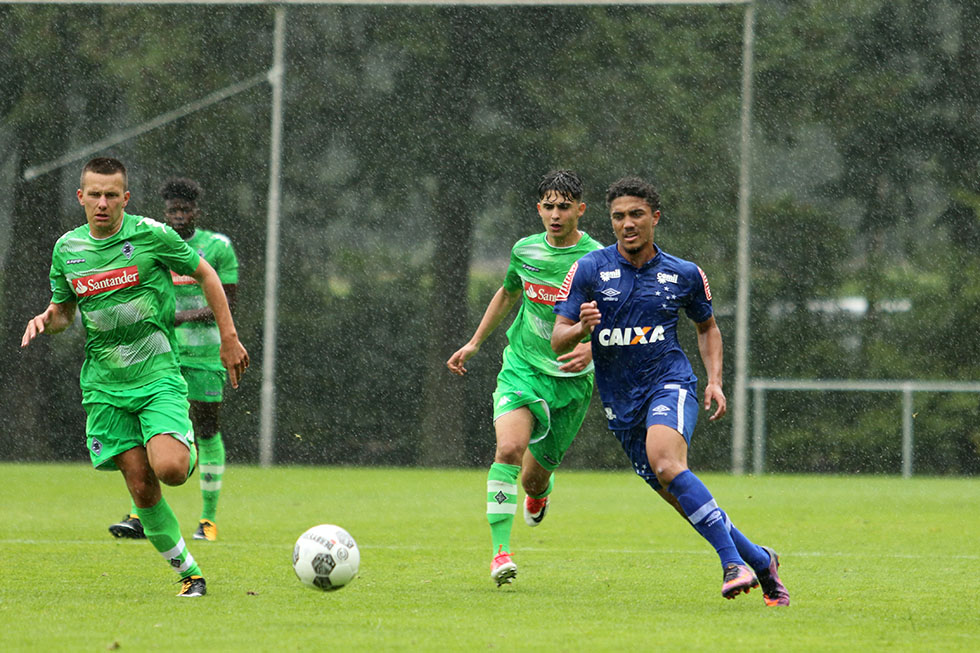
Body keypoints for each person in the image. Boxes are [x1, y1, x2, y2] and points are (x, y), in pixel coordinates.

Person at [551, 176, 789, 605]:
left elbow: (707, 327)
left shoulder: (683, 273)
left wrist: (714, 380)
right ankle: (759, 559)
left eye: (636, 215)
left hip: (670, 383)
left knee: (666, 462)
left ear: (655, 218)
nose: (627, 224)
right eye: (619, 216)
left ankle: (731, 564)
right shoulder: (589, 269)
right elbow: (558, 338)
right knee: (679, 494)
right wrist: (582, 330)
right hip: (620, 403)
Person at [21, 157, 248, 597]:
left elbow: (206, 274)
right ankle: (190, 574)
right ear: (80, 197)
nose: (102, 202)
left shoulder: (151, 235)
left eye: (111, 194)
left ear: (125, 198)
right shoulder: (67, 249)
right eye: (94, 194)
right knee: (141, 487)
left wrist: (229, 337)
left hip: (158, 373)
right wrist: (48, 319)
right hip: (104, 386)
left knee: (172, 469)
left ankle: (184, 446)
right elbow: (67, 313)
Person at [447, 170, 602, 586]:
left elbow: (620, 317)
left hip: (572, 380)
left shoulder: (598, 260)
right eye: (548, 206)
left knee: (534, 475)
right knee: (509, 449)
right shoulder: (525, 250)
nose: (555, 214)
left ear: (580, 210)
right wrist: (476, 342)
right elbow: (509, 291)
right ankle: (500, 553)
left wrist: (592, 348)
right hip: (523, 368)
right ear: (539, 209)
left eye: (564, 206)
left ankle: (538, 491)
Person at [108, 177, 239, 543]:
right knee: (147, 431)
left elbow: (223, 304)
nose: (179, 216)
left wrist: (177, 317)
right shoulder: (152, 242)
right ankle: (139, 515)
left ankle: (207, 522)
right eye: (172, 211)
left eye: (185, 210)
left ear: (197, 211)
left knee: (206, 428)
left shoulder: (217, 247)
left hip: (206, 356)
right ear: (164, 212)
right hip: (159, 355)